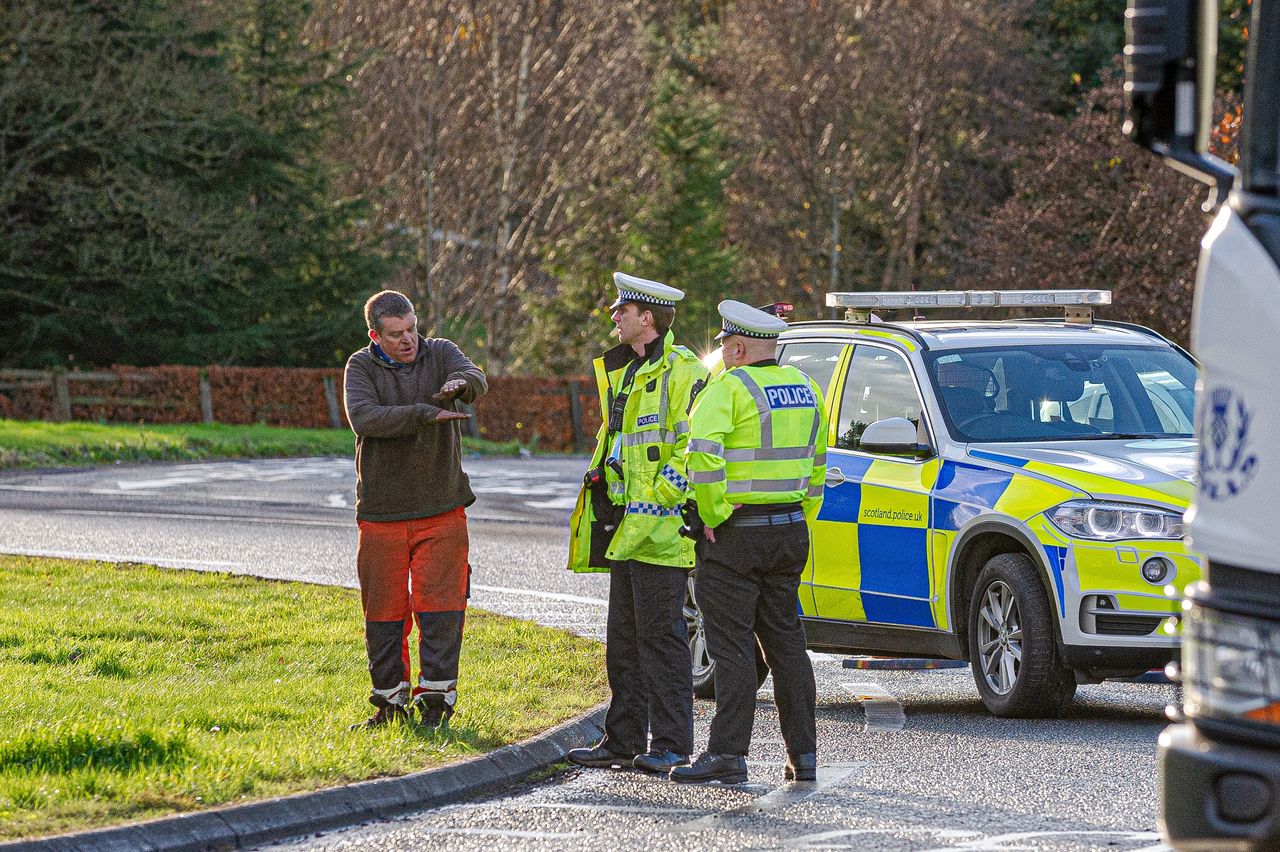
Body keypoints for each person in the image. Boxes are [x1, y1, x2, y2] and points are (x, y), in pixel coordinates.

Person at [671, 300, 827, 785]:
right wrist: (801, 514)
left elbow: (702, 457)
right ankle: (803, 756)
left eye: (724, 346)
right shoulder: (805, 389)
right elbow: (818, 462)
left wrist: (714, 514)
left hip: (736, 536)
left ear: (738, 347)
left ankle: (728, 754)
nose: (721, 354)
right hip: (789, 530)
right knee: (787, 646)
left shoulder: (729, 388)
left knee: (732, 648)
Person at [566, 271, 710, 774]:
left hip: (662, 534)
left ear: (646, 318)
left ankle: (671, 744)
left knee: (662, 642)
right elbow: (621, 444)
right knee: (623, 642)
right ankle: (623, 739)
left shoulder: (683, 371)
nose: (613, 315)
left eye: (621, 310)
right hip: (627, 530)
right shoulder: (628, 371)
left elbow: (695, 446)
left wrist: (664, 494)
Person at [342, 290, 487, 730]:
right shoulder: (360, 367)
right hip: (381, 513)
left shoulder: (440, 353)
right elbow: (364, 417)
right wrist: (425, 414)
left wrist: (461, 385)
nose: (409, 340)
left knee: (442, 609)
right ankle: (388, 705)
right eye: (396, 334)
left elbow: (475, 375)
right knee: (384, 613)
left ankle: (437, 704)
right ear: (375, 335)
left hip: (442, 507)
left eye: (412, 329)